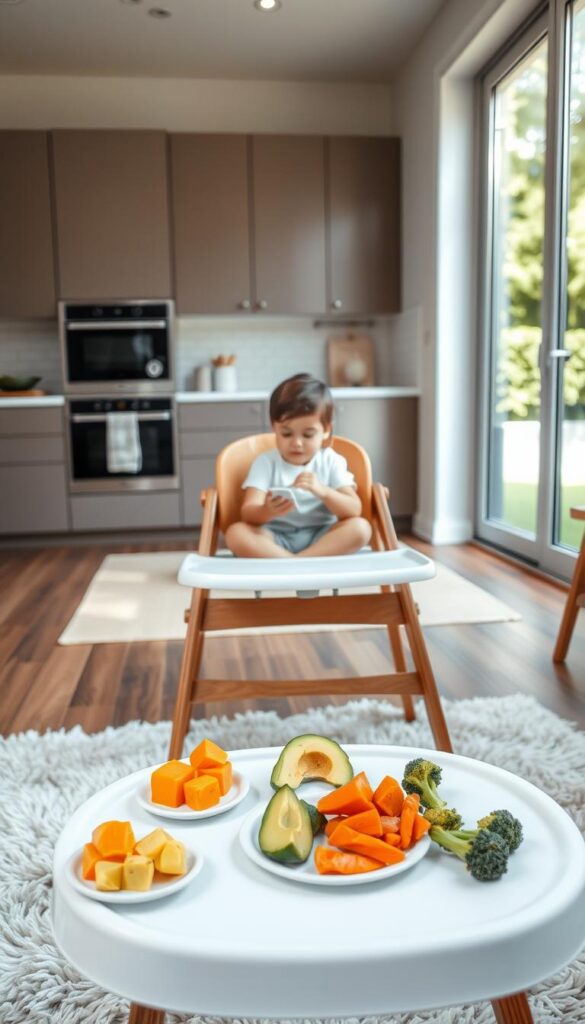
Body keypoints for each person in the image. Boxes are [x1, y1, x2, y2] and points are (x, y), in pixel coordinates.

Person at [224, 373, 372, 558]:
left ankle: (297, 562)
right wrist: (266, 511)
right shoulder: (266, 462)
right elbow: (248, 513)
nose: (297, 443)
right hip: (275, 538)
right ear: (274, 427)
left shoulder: (331, 460)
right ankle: (295, 563)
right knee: (236, 533)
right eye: (286, 434)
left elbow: (353, 509)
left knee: (361, 528)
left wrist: (323, 491)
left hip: (323, 537)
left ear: (326, 430)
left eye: (308, 434)